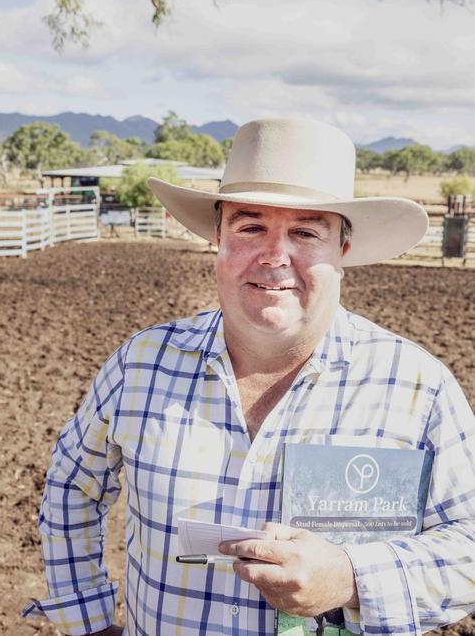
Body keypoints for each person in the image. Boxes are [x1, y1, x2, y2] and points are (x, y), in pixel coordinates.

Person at [23, 118, 475, 635]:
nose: (274, 255)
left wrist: (352, 578)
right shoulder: (140, 364)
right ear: (219, 237)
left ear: (342, 249)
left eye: (305, 231)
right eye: (250, 226)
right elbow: (71, 485)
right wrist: (90, 622)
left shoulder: (417, 385)